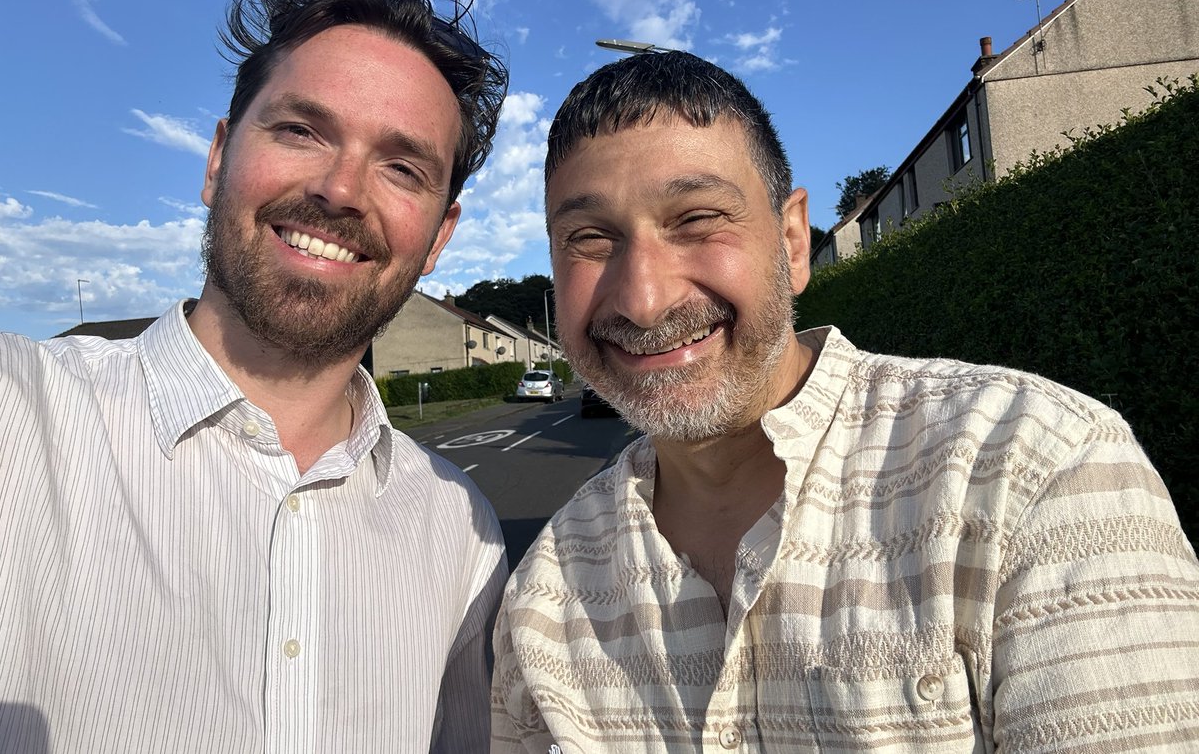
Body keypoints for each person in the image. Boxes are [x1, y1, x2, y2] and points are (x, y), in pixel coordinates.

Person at [491, 51, 1199, 752]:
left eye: (698, 219)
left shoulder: (1032, 470)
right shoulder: (545, 594)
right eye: (589, 239)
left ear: (793, 243)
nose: (644, 300)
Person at [0, 0, 509, 753]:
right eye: (303, 130)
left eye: (403, 167)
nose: (341, 190)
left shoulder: (459, 531)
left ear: (441, 236)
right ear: (217, 158)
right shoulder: (18, 418)